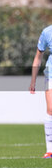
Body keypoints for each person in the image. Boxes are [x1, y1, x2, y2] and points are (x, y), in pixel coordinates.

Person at [30, 25, 52, 159]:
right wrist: (33, 80)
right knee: (51, 109)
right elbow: (38, 57)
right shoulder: (47, 32)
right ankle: (50, 150)